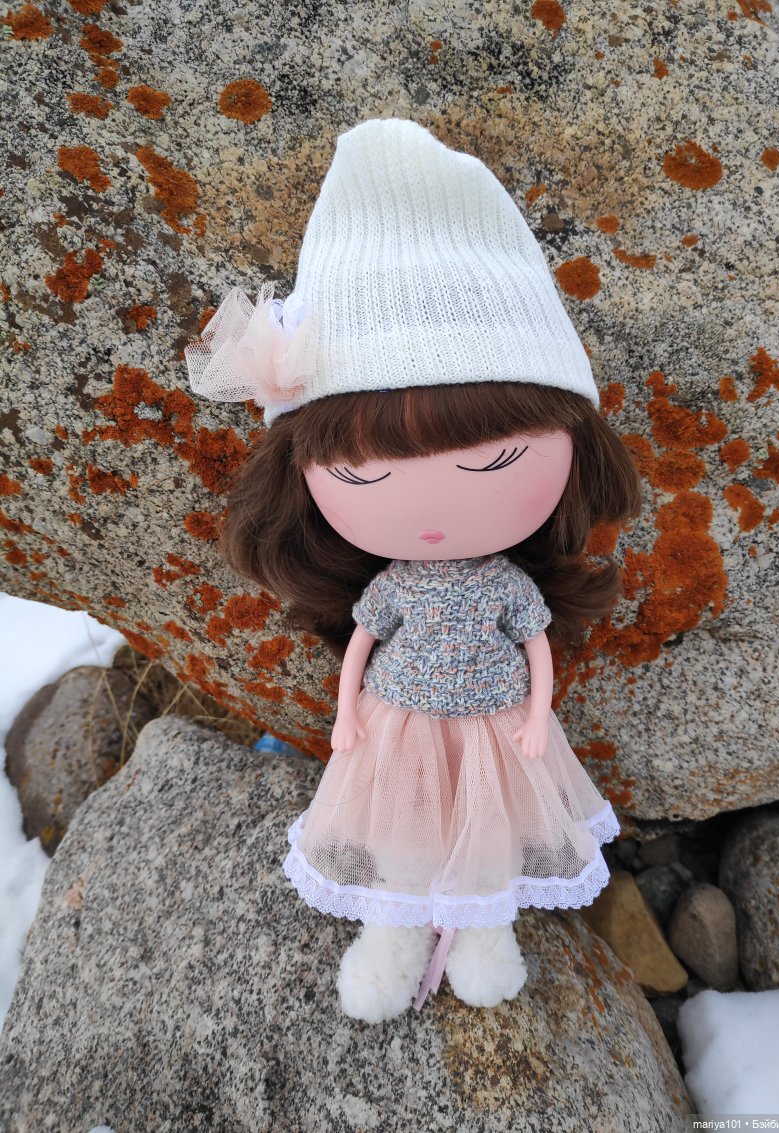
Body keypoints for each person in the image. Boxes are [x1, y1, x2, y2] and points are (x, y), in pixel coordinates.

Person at [185, 118, 642, 1023]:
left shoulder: (506, 587)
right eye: (361, 474)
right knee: (399, 833)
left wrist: (538, 714)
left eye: (494, 460)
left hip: (495, 724)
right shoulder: (391, 587)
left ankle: (483, 931)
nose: (432, 506)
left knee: (491, 832)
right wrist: (346, 710)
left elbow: (536, 644)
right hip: (396, 723)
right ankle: (392, 932)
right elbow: (362, 640)